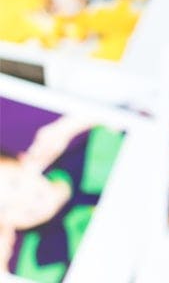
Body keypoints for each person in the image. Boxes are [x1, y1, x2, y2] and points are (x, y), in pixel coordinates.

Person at [0, 100, 123, 282]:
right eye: (4, 208)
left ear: (25, 161)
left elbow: (138, 112)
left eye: (14, 184)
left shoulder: (91, 152)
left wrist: (70, 125)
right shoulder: (37, 259)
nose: (22, 201)